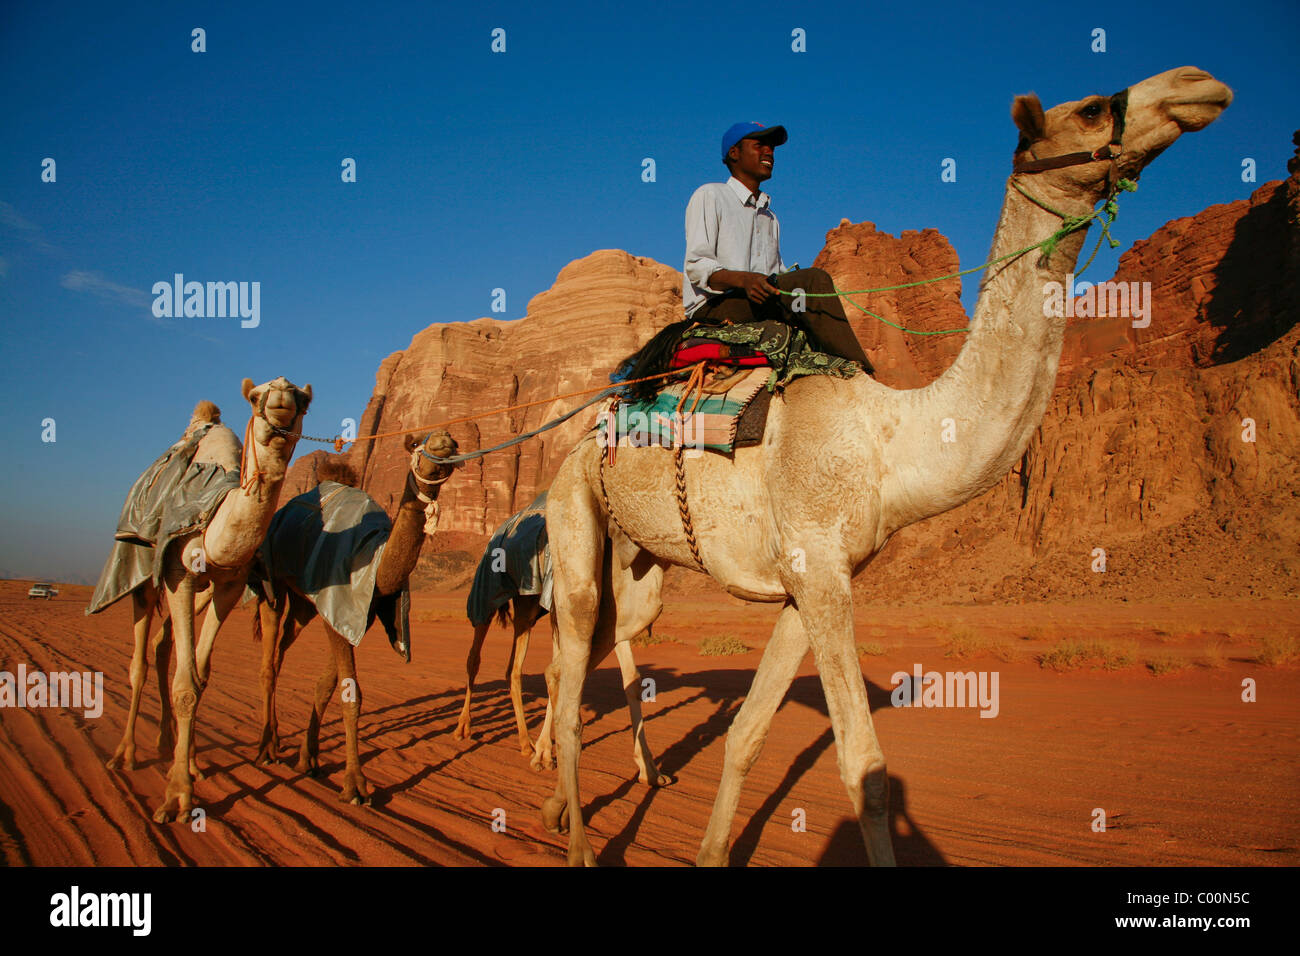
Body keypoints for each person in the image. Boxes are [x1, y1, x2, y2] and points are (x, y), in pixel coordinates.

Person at [615, 122, 873, 401]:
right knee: (813, 282)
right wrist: (746, 280)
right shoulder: (710, 195)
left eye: (772, 147)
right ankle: (862, 377)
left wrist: (781, 282)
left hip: (756, 300)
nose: (769, 152)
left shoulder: (770, 217)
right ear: (735, 153)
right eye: (759, 145)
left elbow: (775, 271)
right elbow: (697, 265)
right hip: (715, 305)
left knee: (808, 290)